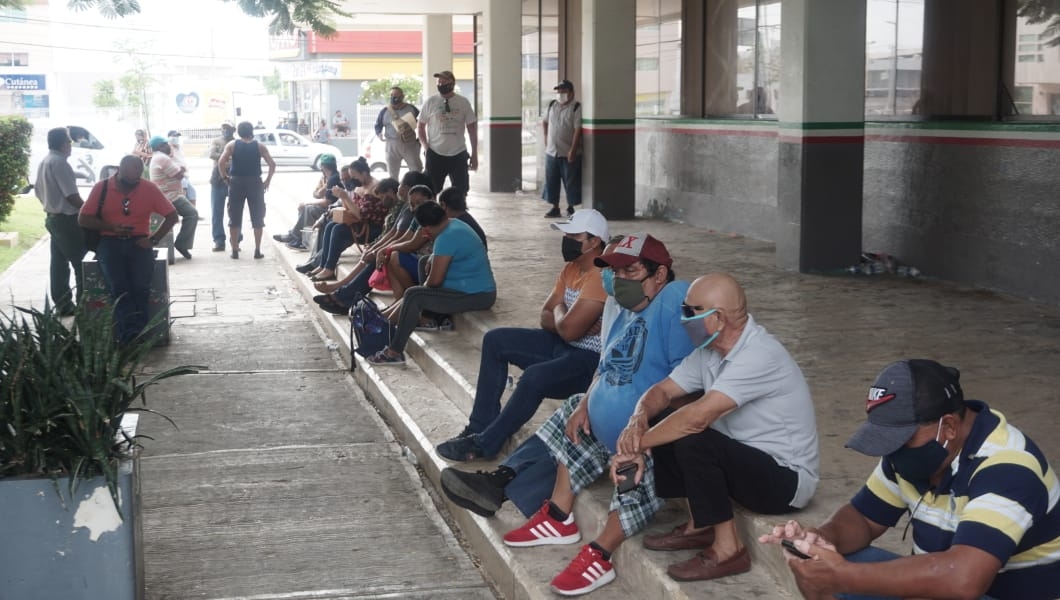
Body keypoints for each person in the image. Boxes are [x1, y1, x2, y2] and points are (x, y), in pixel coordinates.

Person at [760, 359, 1060, 600]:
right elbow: (863, 519)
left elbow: (963, 579)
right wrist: (820, 541)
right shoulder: (912, 457)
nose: (892, 451)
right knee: (819, 566)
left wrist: (842, 575)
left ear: (950, 427)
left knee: (856, 576)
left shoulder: (1008, 466)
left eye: (901, 439)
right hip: (942, 585)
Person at [610, 272, 819, 583]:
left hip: (785, 480)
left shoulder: (759, 354)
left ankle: (729, 551)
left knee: (694, 435)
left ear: (718, 318)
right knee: (663, 416)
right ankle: (699, 525)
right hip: (745, 461)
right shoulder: (710, 351)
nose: (683, 320)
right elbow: (662, 391)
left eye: (689, 312)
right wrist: (636, 422)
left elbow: (697, 419)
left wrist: (635, 446)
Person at [435, 209, 609, 462]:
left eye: (574, 236)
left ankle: (485, 444)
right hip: (560, 344)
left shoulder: (601, 275)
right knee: (495, 340)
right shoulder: (572, 269)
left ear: (594, 242)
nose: (567, 240)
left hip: (587, 361)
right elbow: (546, 316)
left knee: (534, 377)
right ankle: (478, 426)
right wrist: (566, 315)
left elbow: (570, 329)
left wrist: (563, 316)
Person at [366, 201, 496, 366]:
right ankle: (432, 317)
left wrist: (398, 311)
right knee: (424, 262)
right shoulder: (453, 224)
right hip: (472, 290)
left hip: (477, 295)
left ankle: (394, 351)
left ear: (426, 229)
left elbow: (434, 282)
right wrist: (432, 258)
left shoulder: (445, 238)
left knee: (414, 295)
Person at [78, 156, 177, 345]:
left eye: (137, 177)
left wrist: (153, 239)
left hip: (139, 242)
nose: (133, 181)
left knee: (140, 288)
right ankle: (130, 336)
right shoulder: (102, 188)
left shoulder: (149, 188)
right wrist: (112, 227)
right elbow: (83, 219)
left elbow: (172, 216)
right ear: (119, 170)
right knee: (119, 289)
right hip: (109, 241)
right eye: (129, 177)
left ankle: (138, 334)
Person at [313, 178, 434, 316]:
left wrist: (382, 250)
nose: (415, 206)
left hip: (425, 264)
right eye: (413, 203)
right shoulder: (410, 210)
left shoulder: (428, 215)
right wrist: (377, 249)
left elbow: (410, 242)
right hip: (414, 258)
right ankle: (343, 292)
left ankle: (343, 296)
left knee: (386, 256)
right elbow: (396, 234)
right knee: (382, 255)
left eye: (419, 202)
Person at [35, 127, 86, 316]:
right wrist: (91, 211)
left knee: (58, 264)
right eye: (69, 142)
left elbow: (38, 192)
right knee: (81, 264)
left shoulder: (45, 161)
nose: (71, 146)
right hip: (67, 220)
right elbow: (72, 196)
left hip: (53, 218)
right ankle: (83, 307)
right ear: (64, 144)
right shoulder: (60, 163)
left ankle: (64, 305)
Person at [217, 121, 276, 260]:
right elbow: (272, 164)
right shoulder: (260, 146)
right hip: (255, 183)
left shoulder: (232, 145)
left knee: (234, 216)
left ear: (238, 132)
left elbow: (221, 162)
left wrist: (225, 178)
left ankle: (235, 250)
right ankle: (257, 250)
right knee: (258, 216)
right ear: (252, 131)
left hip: (236, 183)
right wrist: (267, 181)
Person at [418, 70, 478, 194]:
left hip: (458, 153)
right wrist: (425, 146)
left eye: (444, 81)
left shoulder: (463, 102)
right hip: (435, 153)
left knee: (461, 191)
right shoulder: (431, 102)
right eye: (439, 82)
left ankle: (458, 212)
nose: (441, 84)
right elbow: (420, 126)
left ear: (452, 83)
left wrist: (474, 154)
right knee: (431, 190)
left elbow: (472, 129)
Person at [147, 136, 199, 260]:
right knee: (192, 214)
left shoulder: (158, 158)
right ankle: (182, 244)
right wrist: (181, 170)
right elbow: (180, 175)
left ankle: (181, 243)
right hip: (170, 196)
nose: (169, 146)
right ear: (160, 146)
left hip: (166, 195)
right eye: (166, 144)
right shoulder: (162, 158)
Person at [272, 154, 338, 249]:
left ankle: (299, 239)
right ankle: (296, 236)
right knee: (304, 208)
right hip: (325, 207)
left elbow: (327, 202)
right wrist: (320, 191)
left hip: (331, 210)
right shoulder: (324, 177)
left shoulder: (333, 179)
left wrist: (309, 202)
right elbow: (315, 194)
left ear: (323, 166)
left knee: (309, 209)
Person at [542, 79, 583, 219]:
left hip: (568, 152)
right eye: (559, 91)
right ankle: (555, 207)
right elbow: (545, 121)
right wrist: (545, 137)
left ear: (571, 93)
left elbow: (578, 130)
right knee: (551, 180)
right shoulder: (552, 105)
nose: (560, 94)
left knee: (570, 181)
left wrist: (573, 149)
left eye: (564, 91)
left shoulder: (576, 107)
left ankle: (571, 208)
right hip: (552, 151)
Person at [374, 86, 422, 180]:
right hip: (391, 144)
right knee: (392, 173)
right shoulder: (385, 111)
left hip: (409, 143)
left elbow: (422, 122)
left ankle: (415, 190)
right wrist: (379, 134)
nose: (393, 97)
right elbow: (378, 125)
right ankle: (394, 192)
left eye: (396, 95)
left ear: (402, 96)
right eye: (391, 95)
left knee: (416, 170)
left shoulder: (412, 109)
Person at [209, 121, 236, 252]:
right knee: (216, 212)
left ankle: (236, 239)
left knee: (235, 212)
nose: (225, 130)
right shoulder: (217, 141)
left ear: (233, 129)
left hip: (233, 178)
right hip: (217, 178)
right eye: (223, 128)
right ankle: (219, 241)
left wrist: (225, 158)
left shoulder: (237, 142)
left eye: (228, 128)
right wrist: (227, 156)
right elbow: (212, 154)